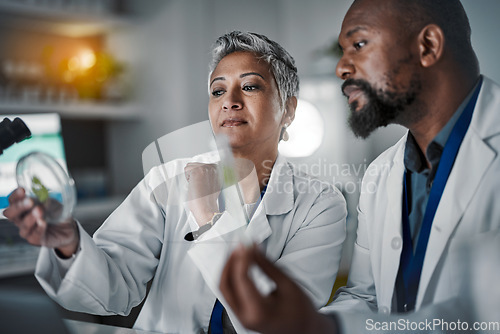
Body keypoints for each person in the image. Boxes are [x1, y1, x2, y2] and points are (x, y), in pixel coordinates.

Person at [2, 31, 347, 333]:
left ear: (288, 109)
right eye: (217, 91)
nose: (230, 101)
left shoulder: (321, 204)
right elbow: (113, 290)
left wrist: (207, 221)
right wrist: (69, 243)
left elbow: (282, 323)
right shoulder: (168, 178)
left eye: (250, 86)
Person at [219, 0, 500, 333]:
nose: (341, 68)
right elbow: (366, 297)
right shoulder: (382, 175)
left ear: (428, 46)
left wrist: (320, 328)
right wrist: (311, 323)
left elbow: (481, 316)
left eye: (359, 44)